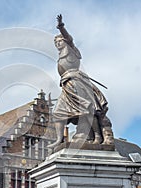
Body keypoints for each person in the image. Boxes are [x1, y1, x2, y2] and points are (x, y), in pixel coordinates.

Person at [48, 15, 112, 149]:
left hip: (76, 82)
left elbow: (69, 38)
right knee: (58, 112)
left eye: (59, 41)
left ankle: (98, 136)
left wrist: (61, 27)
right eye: (56, 43)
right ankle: (59, 140)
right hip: (66, 84)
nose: (58, 44)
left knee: (86, 109)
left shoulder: (71, 49)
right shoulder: (61, 56)